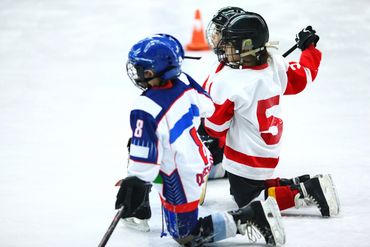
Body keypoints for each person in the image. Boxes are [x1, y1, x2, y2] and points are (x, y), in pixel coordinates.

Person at [115, 33, 286, 246]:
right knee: (144, 156)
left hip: (180, 173)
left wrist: (135, 183)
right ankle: (140, 208)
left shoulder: (145, 108)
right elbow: (208, 106)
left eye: (141, 69)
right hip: (195, 157)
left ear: (152, 72)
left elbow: (144, 162)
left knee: (185, 234)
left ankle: (250, 216)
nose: (138, 73)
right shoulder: (184, 80)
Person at [203, 11, 340, 217]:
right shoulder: (275, 64)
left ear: (246, 47)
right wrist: (308, 49)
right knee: (245, 187)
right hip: (266, 150)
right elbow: (303, 76)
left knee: (248, 200)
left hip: (244, 156)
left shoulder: (230, 81)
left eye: (229, 45)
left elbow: (214, 128)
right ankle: (297, 184)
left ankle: (307, 191)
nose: (223, 48)